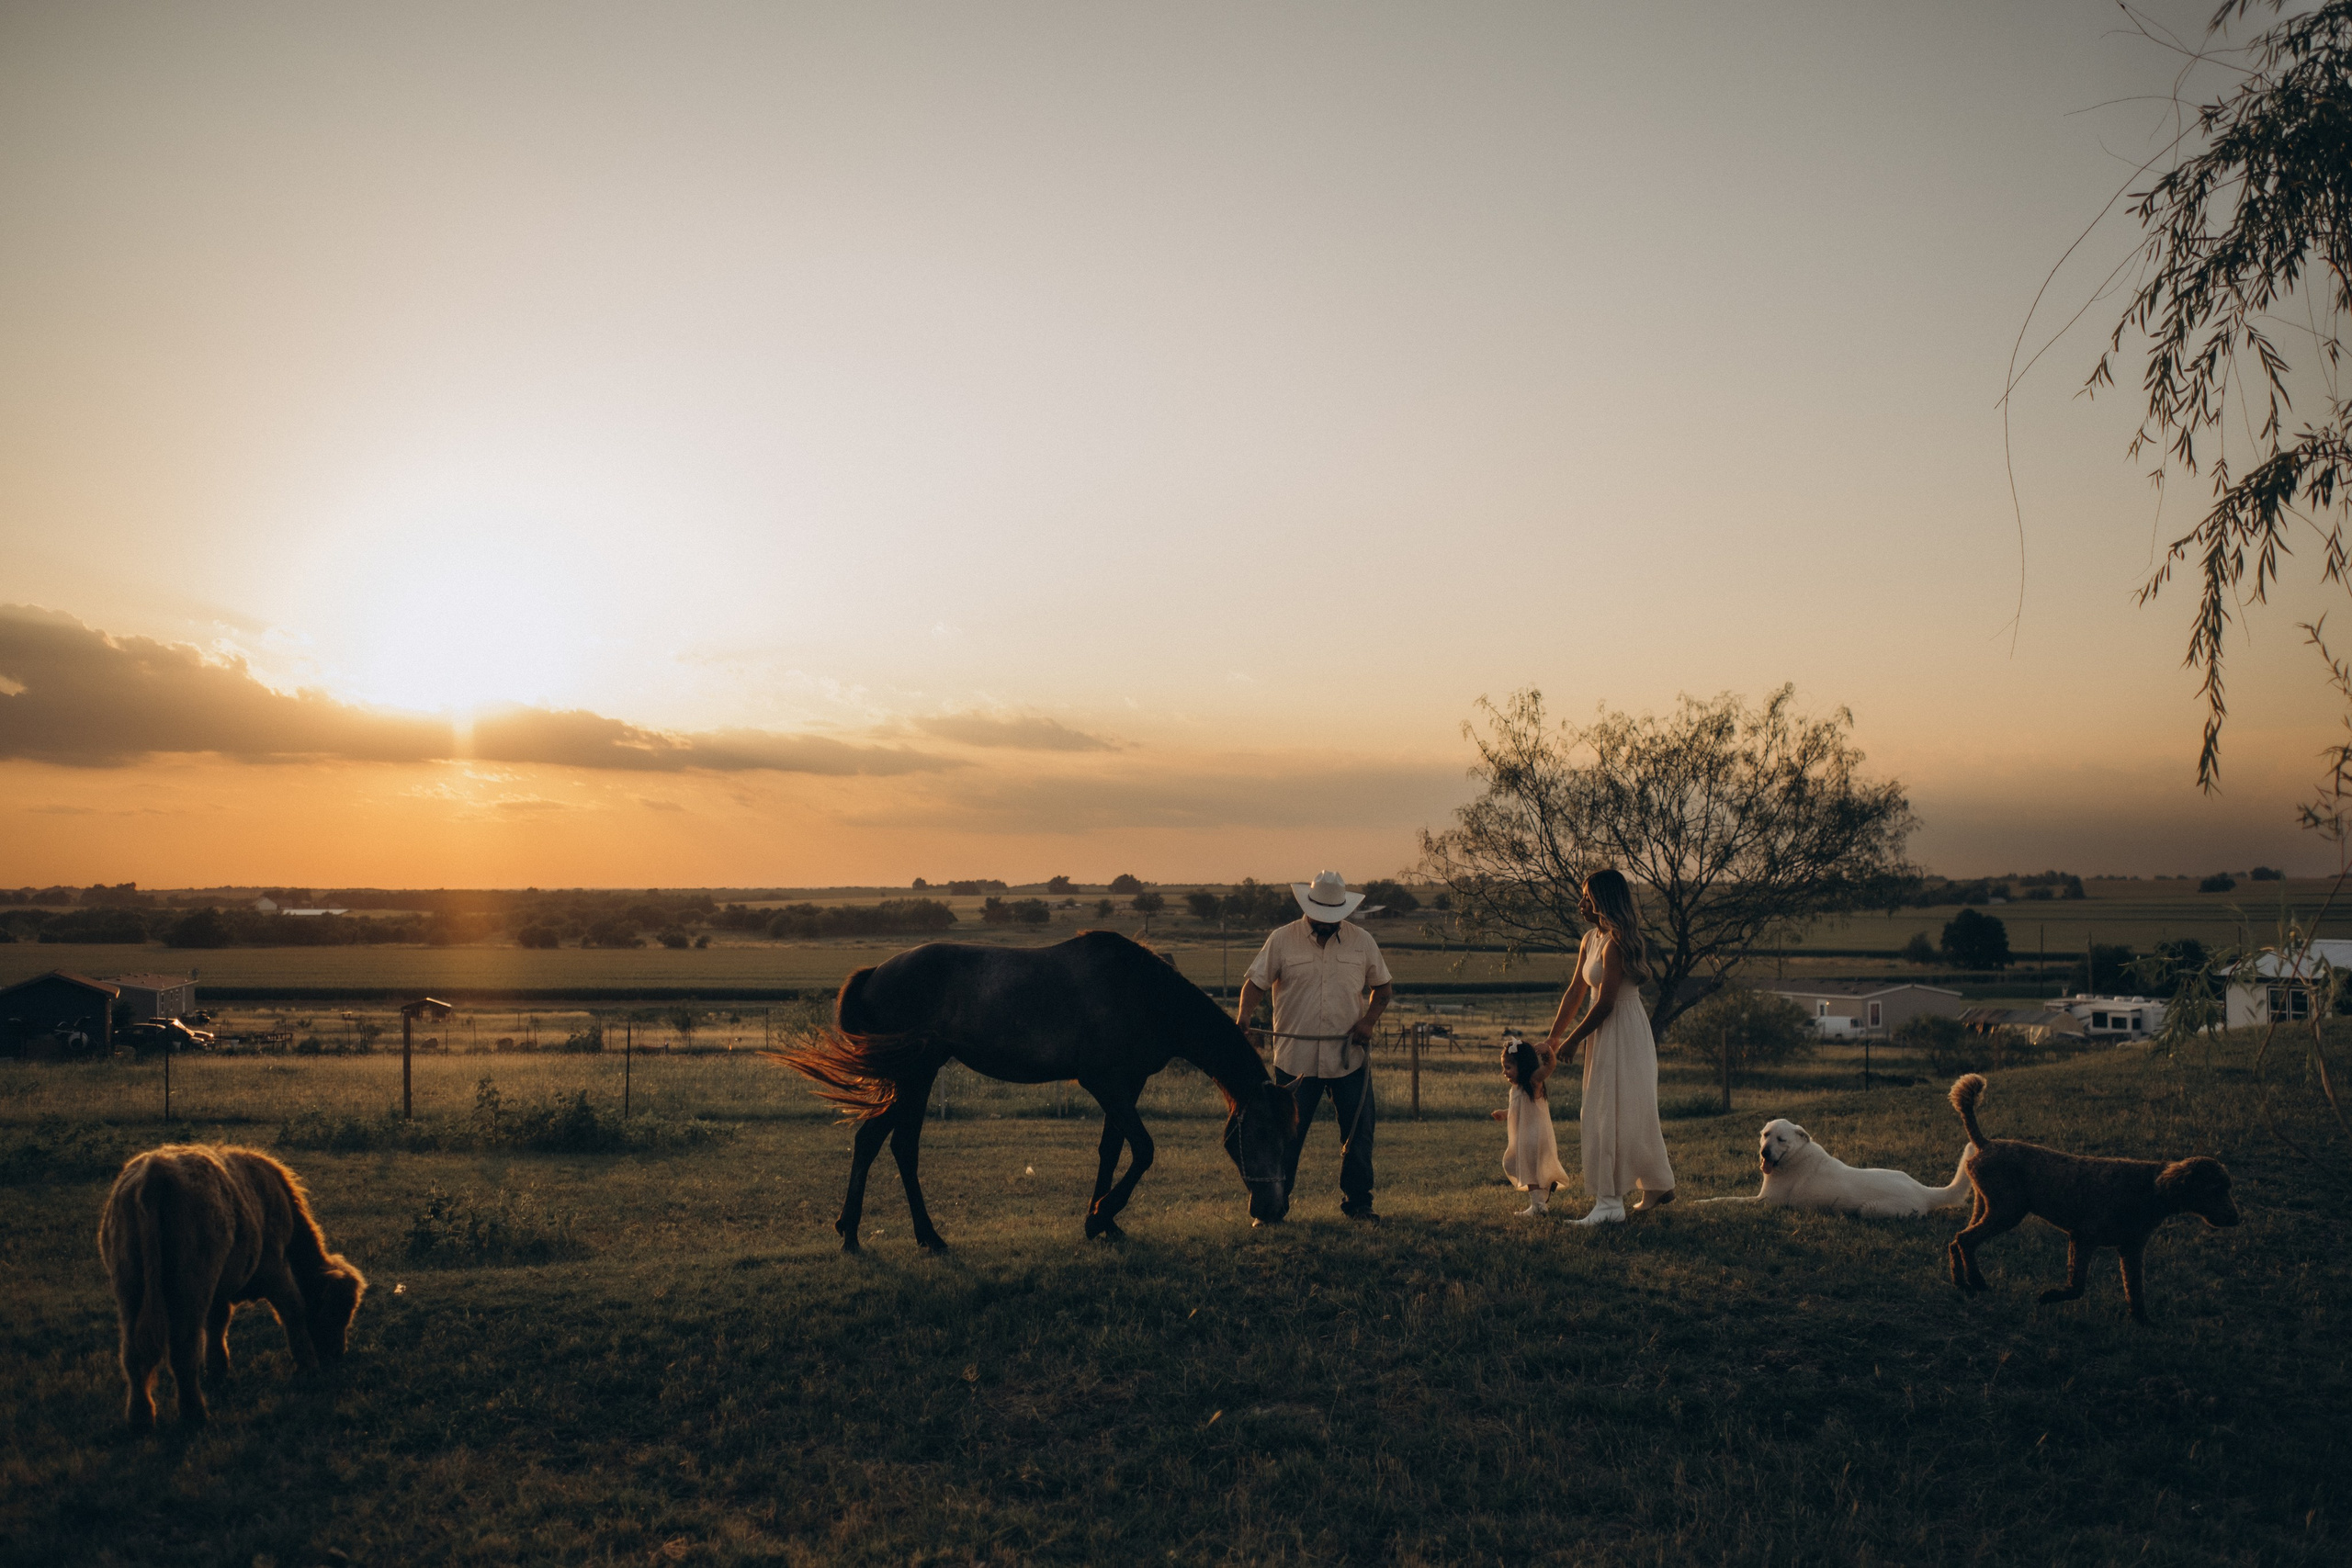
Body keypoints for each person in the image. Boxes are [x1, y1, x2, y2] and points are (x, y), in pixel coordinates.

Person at [1237, 870, 1394, 1221]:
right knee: (1285, 1140)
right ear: (1308, 908)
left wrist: (1368, 1022)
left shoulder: (1363, 941)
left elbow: (1382, 989)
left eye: (1333, 919)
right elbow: (1255, 983)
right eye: (1320, 918)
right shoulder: (1281, 939)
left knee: (1358, 1133)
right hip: (1295, 1061)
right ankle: (1273, 1210)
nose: (1326, 924)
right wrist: (1244, 1016)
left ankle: (1359, 1204)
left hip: (1348, 1059)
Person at [1537, 868, 1676, 1225]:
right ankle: (1658, 1184)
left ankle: (1610, 1204)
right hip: (1604, 1031)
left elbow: (1606, 1003)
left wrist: (1573, 1041)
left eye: (1587, 896)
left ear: (1603, 901)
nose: (1581, 903)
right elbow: (1576, 992)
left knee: (1611, 1113)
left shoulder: (1616, 943)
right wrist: (1554, 1036)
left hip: (1623, 1031)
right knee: (1609, 1111)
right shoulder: (1590, 939)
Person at [1493, 1034, 1570, 1216]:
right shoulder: (1518, 1088)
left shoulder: (1533, 1082)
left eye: (1508, 1067)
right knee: (1522, 1166)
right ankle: (1539, 1200)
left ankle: (1538, 1206)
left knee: (1527, 1169)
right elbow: (1517, 1108)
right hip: (1525, 1137)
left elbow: (1549, 1067)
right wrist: (1504, 1114)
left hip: (1533, 1137)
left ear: (1523, 1065)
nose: (1505, 1073)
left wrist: (1549, 1052)